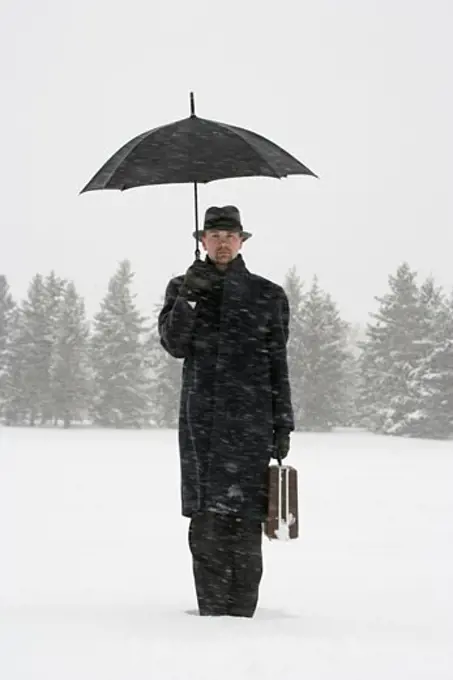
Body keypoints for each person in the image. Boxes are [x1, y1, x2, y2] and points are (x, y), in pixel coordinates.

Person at [158, 205, 294, 617]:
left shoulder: (267, 295)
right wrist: (190, 297)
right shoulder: (182, 287)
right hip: (201, 421)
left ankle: (241, 613)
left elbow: (277, 363)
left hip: (251, 421)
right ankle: (211, 612)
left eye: (229, 236)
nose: (221, 243)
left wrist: (282, 423)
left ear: (242, 241)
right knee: (207, 519)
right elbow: (174, 344)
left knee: (246, 522)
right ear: (202, 240)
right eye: (213, 236)